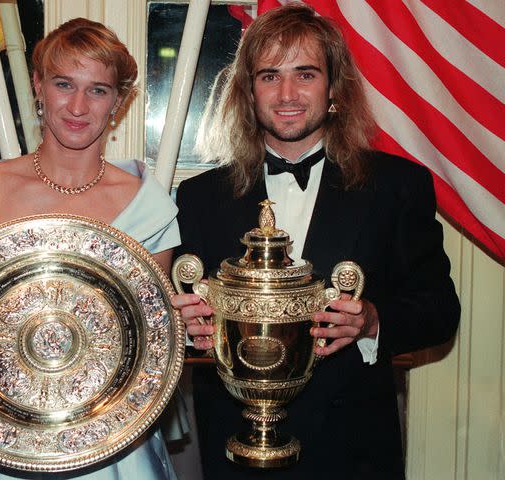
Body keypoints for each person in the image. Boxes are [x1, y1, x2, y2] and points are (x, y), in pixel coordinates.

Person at [172, 3, 460, 479]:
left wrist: (371, 321)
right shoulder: (200, 196)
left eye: (305, 74)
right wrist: (185, 329)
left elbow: (439, 309)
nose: (287, 94)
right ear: (248, 91)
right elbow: (172, 312)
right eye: (269, 76)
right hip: (232, 450)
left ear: (334, 89)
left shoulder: (398, 186)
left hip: (353, 449)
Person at [0, 18, 180, 480]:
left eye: (98, 90)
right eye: (64, 84)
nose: (79, 106)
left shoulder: (147, 203)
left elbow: (151, 352)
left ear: (118, 102)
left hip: (110, 444)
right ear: (39, 87)